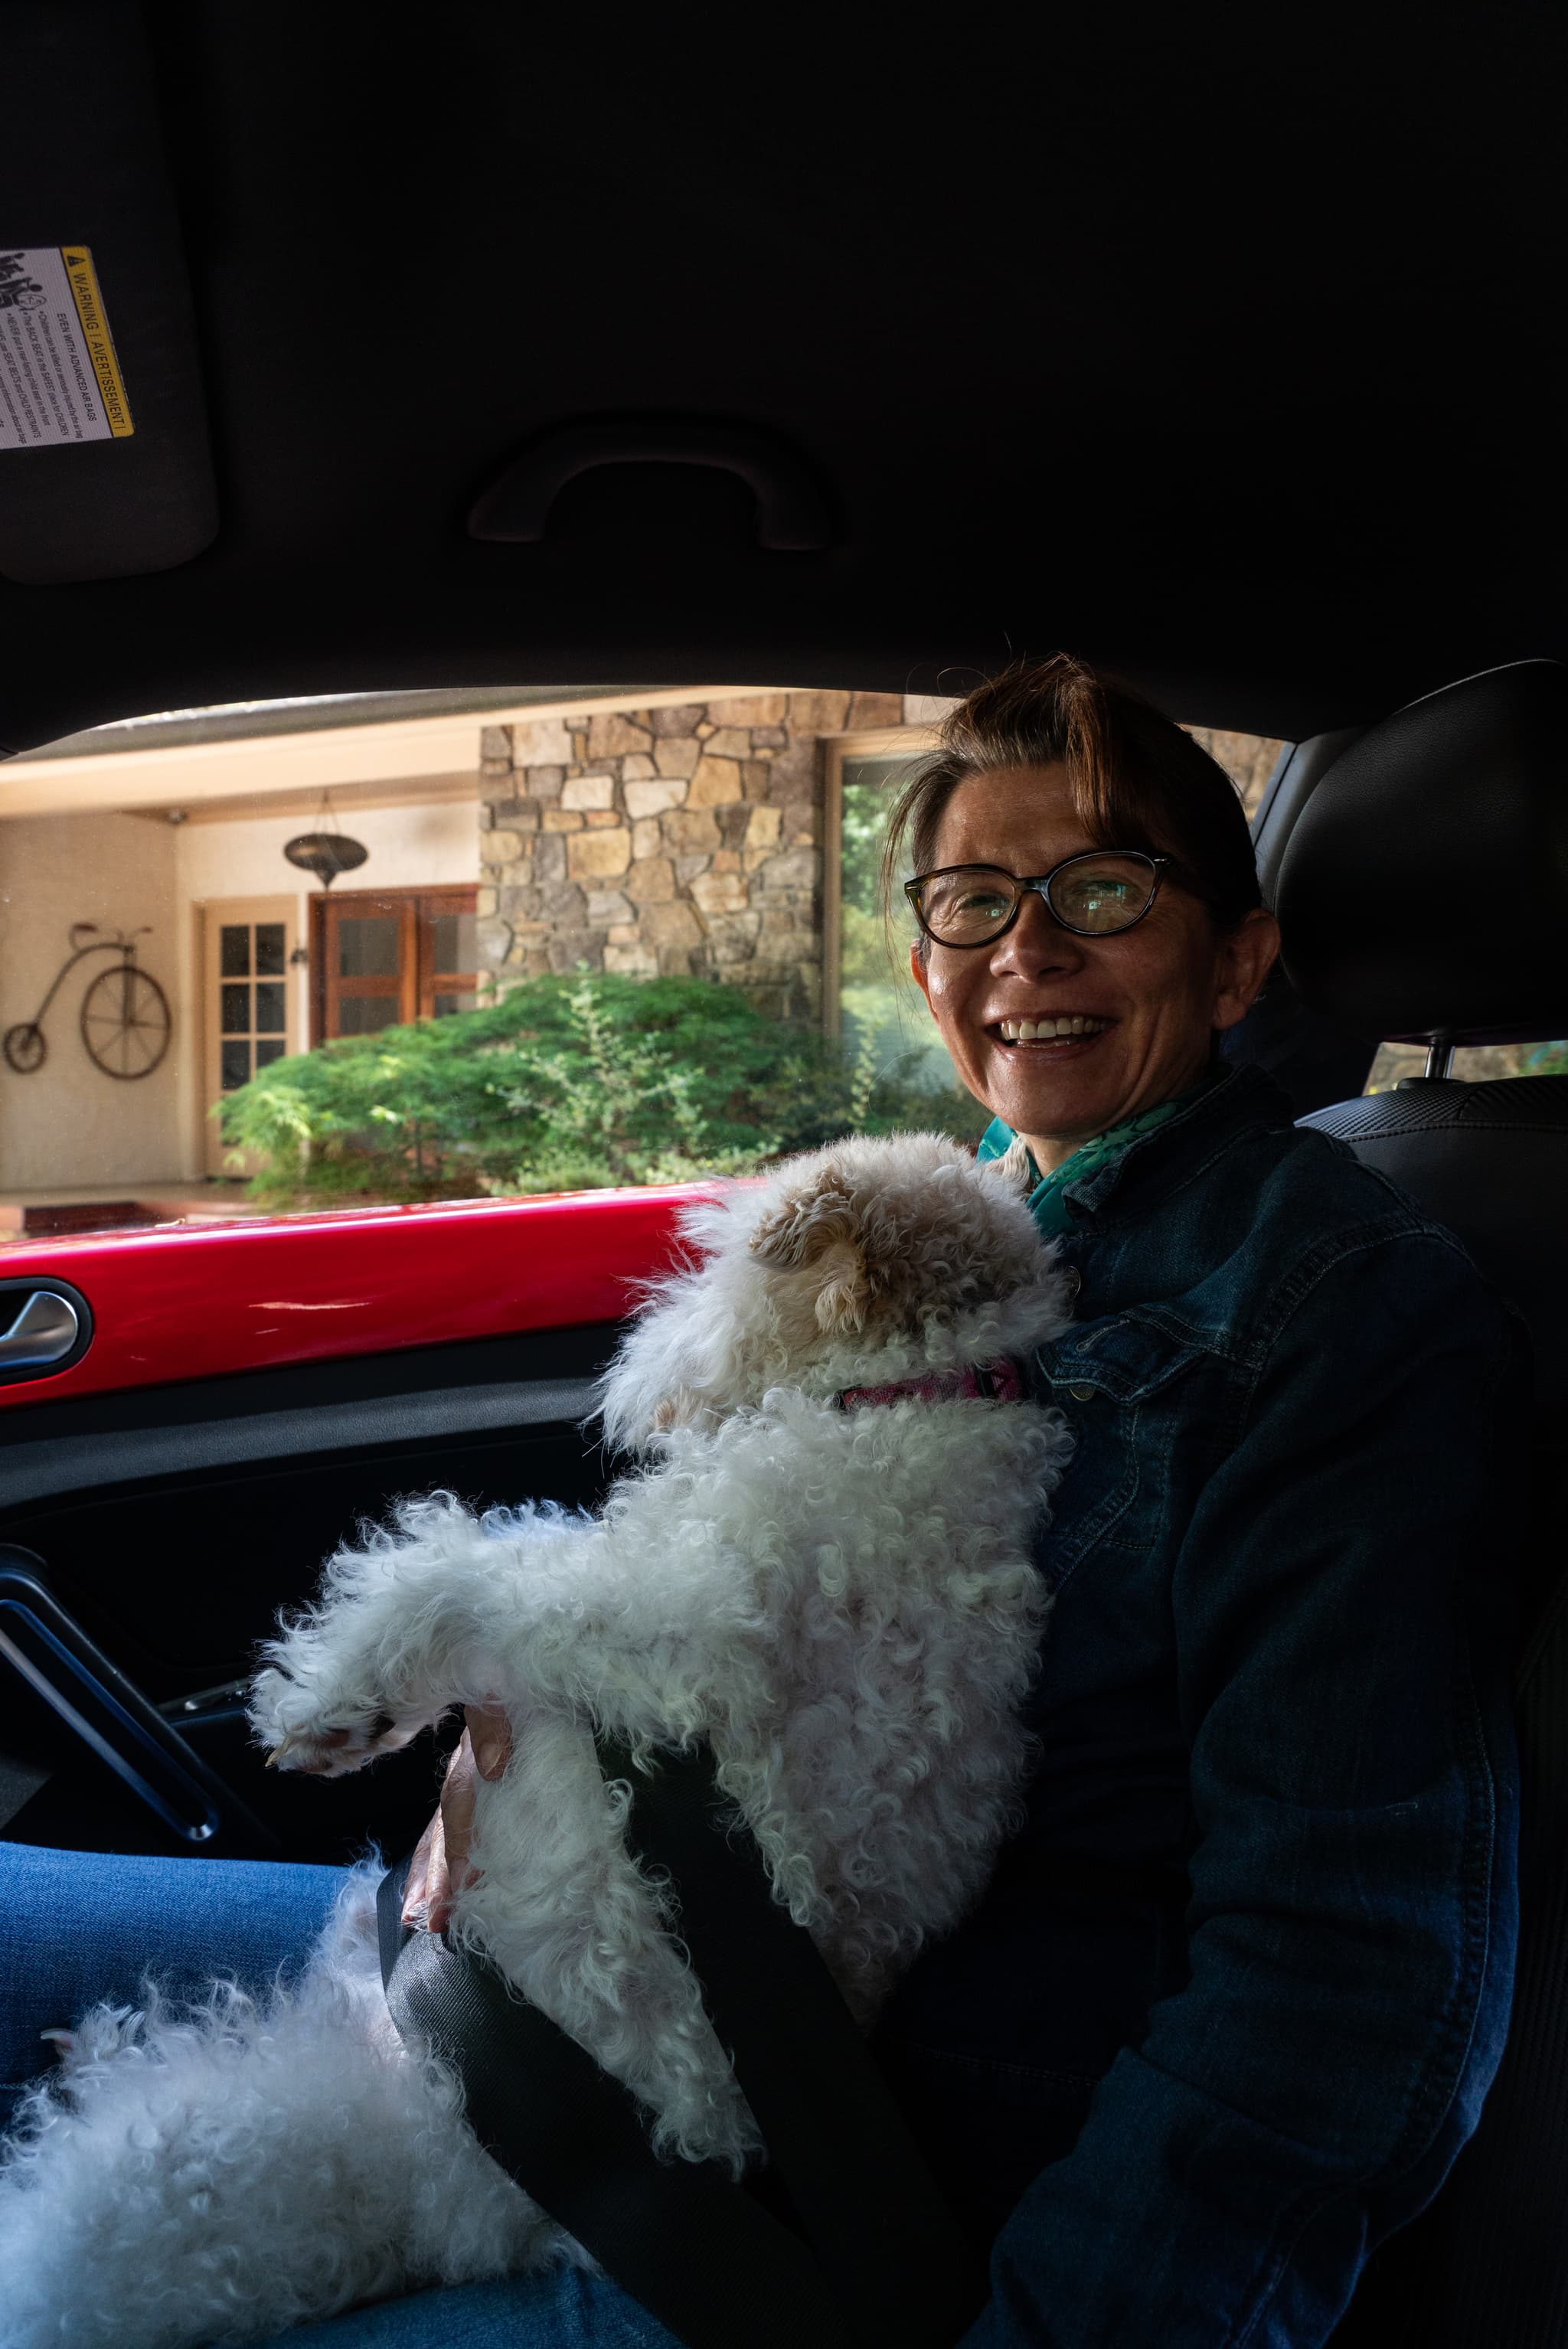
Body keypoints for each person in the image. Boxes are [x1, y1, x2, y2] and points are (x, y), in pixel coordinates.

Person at [0, 656, 1521, 2348]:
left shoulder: (1335, 1300)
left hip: (825, 2155)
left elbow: (1341, 1963)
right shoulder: (986, 1218)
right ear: (929, 963)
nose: (1028, 943)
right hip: (566, 1963)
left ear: (1235, 956)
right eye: (971, 898)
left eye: (1103, 888)